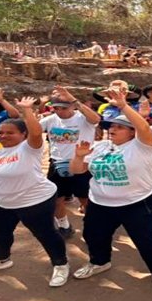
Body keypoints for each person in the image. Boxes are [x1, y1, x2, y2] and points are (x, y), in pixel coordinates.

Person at [69, 87, 152, 294]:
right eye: (111, 126)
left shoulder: (142, 146)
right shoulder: (100, 146)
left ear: (132, 131)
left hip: (137, 204)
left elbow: (144, 127)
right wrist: (80, 156)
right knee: (93, 236)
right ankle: (100, 262)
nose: (112, 129)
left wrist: (124, 105)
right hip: (100, 204)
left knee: (146, 242)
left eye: (120, 127)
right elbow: (77, 170)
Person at [0, 96, 70, 287]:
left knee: (45, 234)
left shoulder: (29, 148)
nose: (3, 136)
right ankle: (2, 259)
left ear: (23, 135)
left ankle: (60, 263)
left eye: (10, 133)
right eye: (0, 132)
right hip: (3, 202)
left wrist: (27, 111)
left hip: (35, 201)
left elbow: (37, 133)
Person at [40, 87, 101, 239]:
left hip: (82, 164)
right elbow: (32, 130)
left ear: (72, 106)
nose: (60, 111)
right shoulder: (50, 120)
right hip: (57, 164)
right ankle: (64, 225)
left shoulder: (82, 118)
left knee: (86, 199)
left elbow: (95, 120)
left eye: (64, 108)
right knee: (55, 199)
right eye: (56, 108)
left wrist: (74, 100)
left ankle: (92, 227)